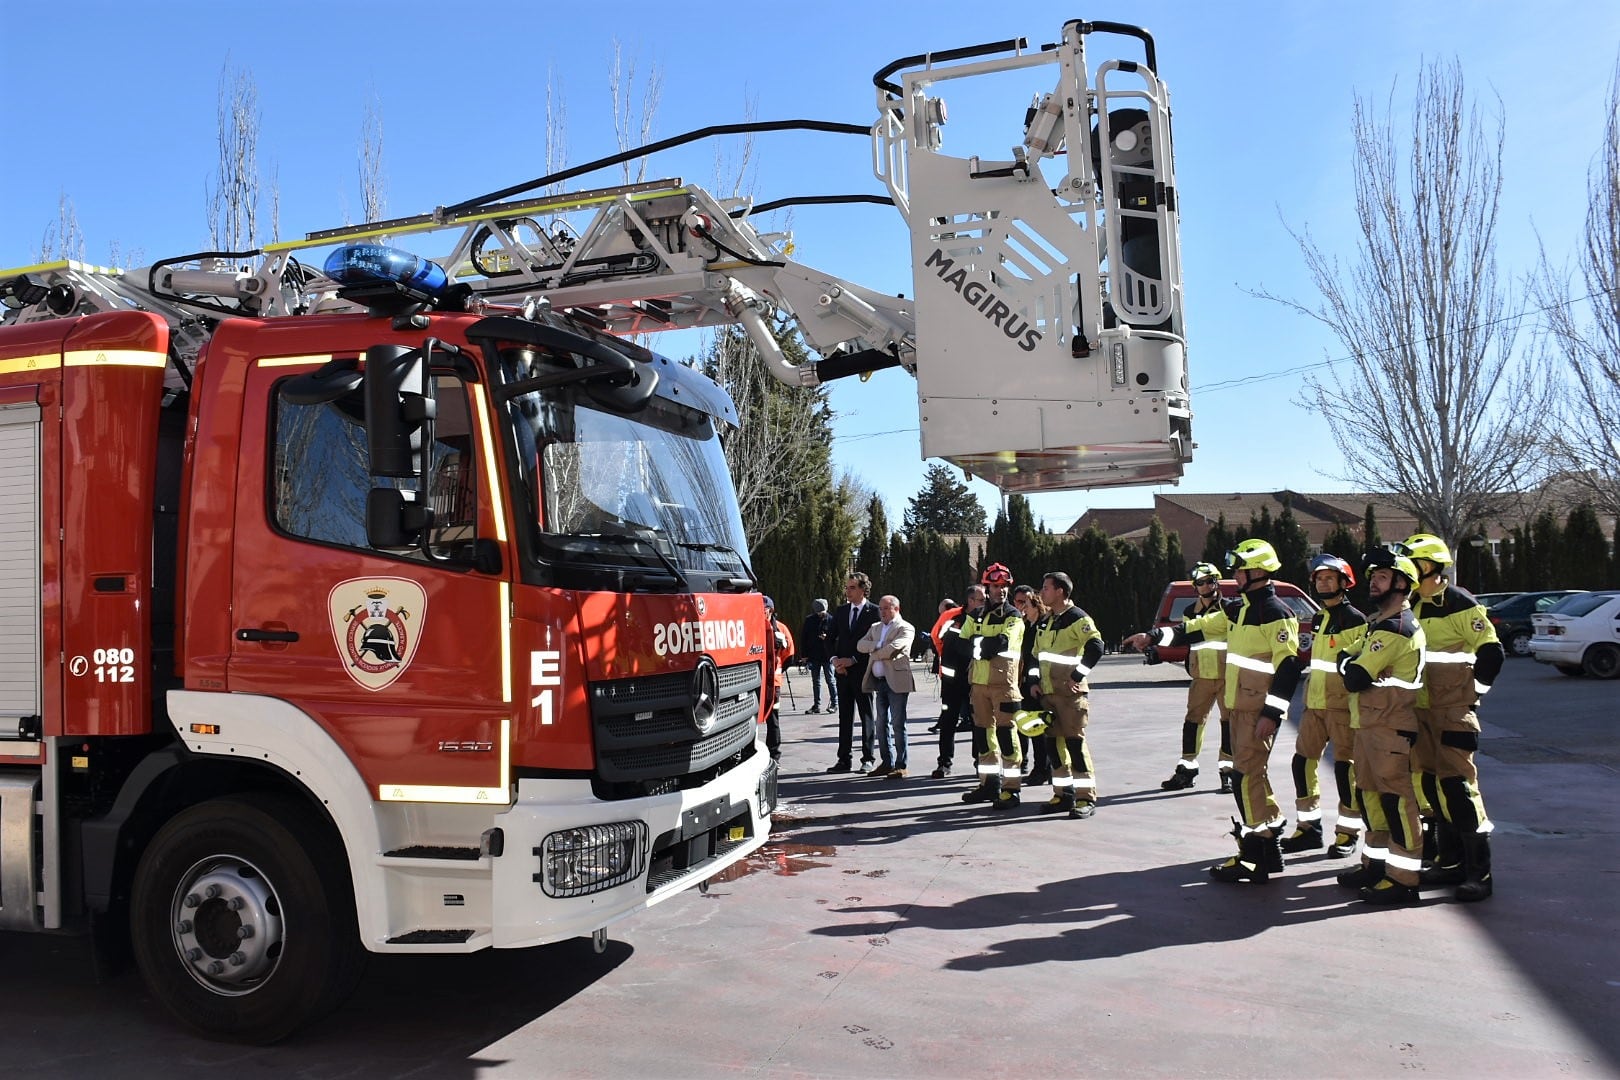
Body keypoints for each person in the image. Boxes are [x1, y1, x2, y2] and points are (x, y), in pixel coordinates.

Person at [1128, 539, 1302, 882]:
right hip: (1240, 706)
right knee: (1251, 775)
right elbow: (1196, 628)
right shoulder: (1237, 610)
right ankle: (1268, 840)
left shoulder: (1277, 613)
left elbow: (1289, 667)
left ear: (1258, 571)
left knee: (1245, 777)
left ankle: (1254, 856)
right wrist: (1153, 637)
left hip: (1257, 711)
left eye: (1240, 569)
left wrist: (1272, 714)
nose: (1234, 575)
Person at [1397, 532, 1505, 902]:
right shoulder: (1411, 604)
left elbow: (1492, 652)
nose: (1408, 570)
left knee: (1459, 787)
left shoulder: (1460, 603)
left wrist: (1474, 696)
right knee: (1431, 786)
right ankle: (1449, 862)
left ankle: (1480, 873)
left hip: (1451, 712)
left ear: (1432, 566)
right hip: (1420, 710)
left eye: (1414, 563)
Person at [1333, 549, 1427, 905]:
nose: (1374, 582)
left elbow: (1354, 677)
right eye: (1373, 576)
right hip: (1370, 725)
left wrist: (1354, 663)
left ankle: (1404, 880)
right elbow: (1347, 656)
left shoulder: (1395, 628)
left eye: (1383, 577)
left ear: (1402, 585)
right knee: (1370, 797)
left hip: (1389, 727)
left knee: (1397, 801)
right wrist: (1353, 661)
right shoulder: (1378, 623)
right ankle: (1376, 866)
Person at [1279, 554, 1368, 858]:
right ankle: (1309, 829)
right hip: (1313, 706)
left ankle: (1348, 833)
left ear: (1345, 583)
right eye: (1319, 578)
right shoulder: (1318, 618)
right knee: (1301, 764)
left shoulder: (1355, 620)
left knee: (1346, 771)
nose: (1323, 582)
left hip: (1343, 708)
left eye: (1330, 577)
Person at [1026, 572, 1105, 818]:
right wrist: (1033, 681)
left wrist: (1077, 676)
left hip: (1070, 697)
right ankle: (1063, 794)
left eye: (1046, 587)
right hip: (1048, 694)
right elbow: (1035, 656)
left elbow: (1096, 645)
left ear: (1060, 591)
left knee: (1075, 745)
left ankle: (1085, 798)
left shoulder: (1077, 618)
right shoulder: (1046, 620)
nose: (1042, 592)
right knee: (1054, 747)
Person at [1155, 563, 1235, 793]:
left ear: (1217, 582)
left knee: (1229, 723)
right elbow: (1185, 636)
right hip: (1201, 675)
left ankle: (1228, 772)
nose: (1206, 585)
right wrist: (1157, 650)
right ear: (1195, 586)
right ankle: (1187, 770)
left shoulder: (1229, 609)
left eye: (1210, 580)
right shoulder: (1190, 611)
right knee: (1193, 722)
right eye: (1200, 582)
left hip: (1227, 675)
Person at [959, 563, 1027, 809]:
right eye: (997, 586)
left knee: (1007, 737)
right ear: (987, 587)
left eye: (1005, 586)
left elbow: (999, 643)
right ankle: (989, 784)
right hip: (978, 685)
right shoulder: (976, 614)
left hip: (1004, 686)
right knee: (983, 737)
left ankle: (1011, 789)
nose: (1002, 591)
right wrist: (981, 645)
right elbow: (959, 643)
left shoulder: (1013, 616)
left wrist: (978, 645)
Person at [827, 571, 881, 773]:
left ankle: (868, 758)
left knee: (867, 715)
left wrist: (854, 660)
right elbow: (829, 639)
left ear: (862, 589)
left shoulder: (874, 612)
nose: (847, 591)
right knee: (845, 717)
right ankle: (843, 759)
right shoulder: (841, 612)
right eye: (846, 587)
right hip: (842, 673)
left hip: (863, 673)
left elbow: (876, 644)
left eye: (852, 588)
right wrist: (835, 661)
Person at [859, 595, 916, 778]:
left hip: (897, 682)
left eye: (886, 608)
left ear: (896, 609)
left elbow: (895, 649)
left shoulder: (905, 627)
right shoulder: (875, 628)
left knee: (898, 724)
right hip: (879, 682)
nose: (882, 612)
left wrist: (875, 652)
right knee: (881, 723)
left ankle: (901, 765)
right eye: (880, 608)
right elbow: (860, 645)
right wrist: (877, 645)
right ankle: (887, 762)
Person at [929, 585, 983, 778]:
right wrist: (945, 657)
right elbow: (936, 637)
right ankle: (944, 762)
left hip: (976, 679)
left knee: (979, 722)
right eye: (981, 600)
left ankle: (980, 762)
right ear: (970, 600)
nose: (984, 603)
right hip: (951, 681)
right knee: (948, 721)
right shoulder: (951, 616)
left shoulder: (985, 617)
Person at [1012, 584, 1053, 787]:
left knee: (1039, 730)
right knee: (1031, 728)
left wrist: (1033, 681)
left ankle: (1042, 769)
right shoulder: (1027, 626)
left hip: (1036, 685)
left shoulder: (1041, 627)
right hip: (1027, 684)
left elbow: (1035, 659)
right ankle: (1045, 768)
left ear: (1037, 606)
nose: (1023, 609)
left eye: (1026, 605)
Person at [762, 597, 795, 763]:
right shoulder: (752, 626)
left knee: (773, 718)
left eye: (765, 608)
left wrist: (778, 670)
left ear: (771, 610)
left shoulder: (781, 628)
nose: (762, 611)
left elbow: (789, 654)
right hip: (757, 680)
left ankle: (774, 753)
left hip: (773, 682)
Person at [800, 599, 836, 715]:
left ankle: (834, 703)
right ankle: (817, 705)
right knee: (816, 681)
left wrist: (828, 638)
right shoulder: (809, 620)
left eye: (823, 612)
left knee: (830, 680)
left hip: (828, 655)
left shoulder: (832, 620)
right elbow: (804, 638)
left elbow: (838, 638)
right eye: (819, 612)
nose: (821, 614)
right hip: (814, 655)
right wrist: (804, 655)